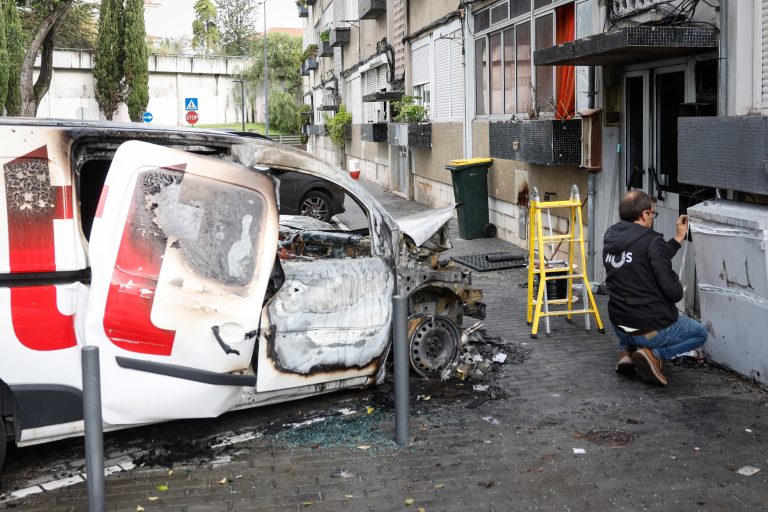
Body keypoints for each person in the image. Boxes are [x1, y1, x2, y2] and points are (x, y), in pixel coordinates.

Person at [602, 190, 708, 386]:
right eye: (653, 213)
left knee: (628, 299)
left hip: (619, 325)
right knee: (701, 333)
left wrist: (678, 237)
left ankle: (626, 352)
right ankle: (654, 354)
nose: (652, 217)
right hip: (648, 329)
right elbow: (673, 293)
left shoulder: (611, 236)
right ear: (644, 214)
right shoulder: (651, 241)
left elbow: (650, 255)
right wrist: (677, 283)